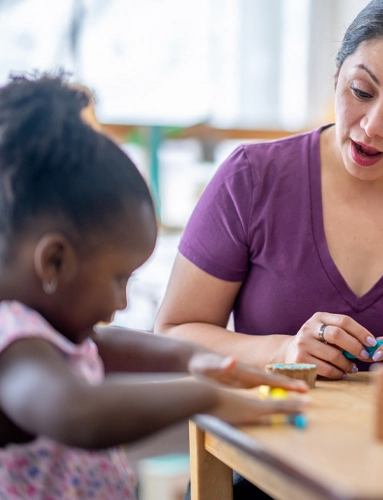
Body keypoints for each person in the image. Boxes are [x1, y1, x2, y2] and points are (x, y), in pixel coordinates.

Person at [156, 0, 383, 384]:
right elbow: (174, 333)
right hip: (270, 438)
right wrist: (280, 352)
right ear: (337, 75)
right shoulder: (252, 179)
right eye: (361, 91)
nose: (372, 127)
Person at [0, 75, 309, 500]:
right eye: (118, 279)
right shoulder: (13, 345)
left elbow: (105, 347)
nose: (122, 302)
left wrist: (198, 360)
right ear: (53, 261)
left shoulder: (45, 334)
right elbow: (77, 412)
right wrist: (204, 397)